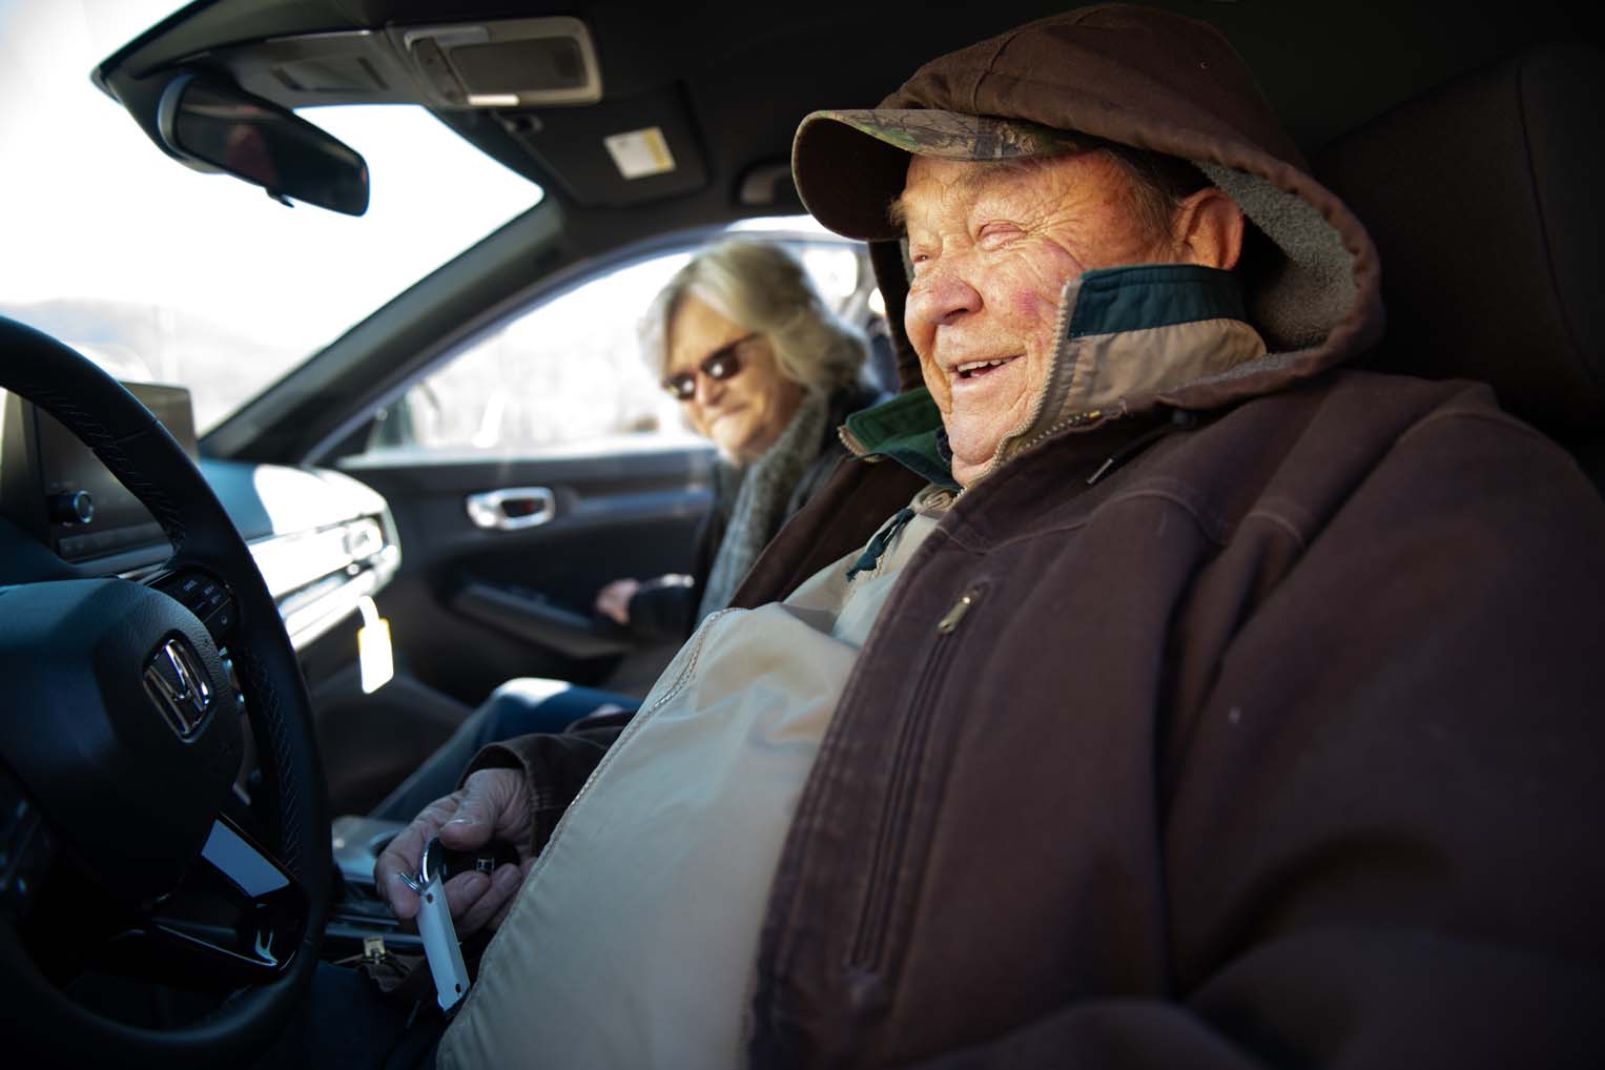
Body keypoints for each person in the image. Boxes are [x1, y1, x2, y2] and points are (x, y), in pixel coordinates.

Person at [372, 6, 1605, 1067]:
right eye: (917, 247)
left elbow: (1413, 998)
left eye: (1000, 225)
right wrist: (551, 795)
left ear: (1204, 234)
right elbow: (820, 715)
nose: (932, 298)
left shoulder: (1409, 484)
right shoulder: (904, 490)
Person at [369, 238, 881, 822]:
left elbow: (786, 649)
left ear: (792, 334)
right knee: (516, 712)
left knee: (515, 712)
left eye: (719, 363)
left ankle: (373, 868)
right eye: (682, 384)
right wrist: (642, 604)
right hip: (709, 713)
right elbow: (737, 599)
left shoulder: (851, 469)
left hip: (740, 754)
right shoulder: (757, 465)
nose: (705, 394)